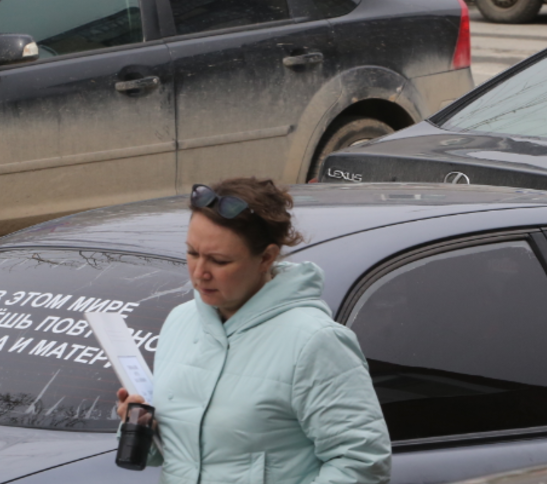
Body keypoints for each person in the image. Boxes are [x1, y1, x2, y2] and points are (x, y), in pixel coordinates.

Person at [115, 177, 391, 484]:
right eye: (192, 253)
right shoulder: (181, 321)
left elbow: (362, 464)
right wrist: (141, 426)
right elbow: (180, 455)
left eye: (219, 260)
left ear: (266, 258)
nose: (200, 272)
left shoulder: (316, 342)